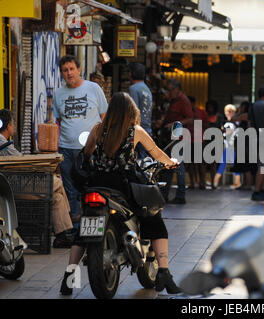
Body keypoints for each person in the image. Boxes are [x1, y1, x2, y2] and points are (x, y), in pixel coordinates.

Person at [60, 92, 180, 295]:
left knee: (83, 231)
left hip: (96, 185)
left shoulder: (98, 130)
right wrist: (171, 162)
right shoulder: (135, 131)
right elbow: (157, 153)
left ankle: (68, 279)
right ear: (130, 112)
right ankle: (164, 272)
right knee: (153, 218)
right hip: (124, 187)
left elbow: (86, 156)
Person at [0, 109, 74, 248]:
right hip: (14, 186)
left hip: (17, 183)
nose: (14, 125)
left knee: (57, 197)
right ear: (8, 125)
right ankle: (69, 217)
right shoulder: (2, 142)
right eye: (13, 122)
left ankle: (61, 236)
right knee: (56, 182)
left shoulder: (4, 141)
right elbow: (21, 161)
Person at [52, 55, 108, 227]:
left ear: (79, 70)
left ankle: (92, 223)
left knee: (91, 186)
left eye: (71, 69)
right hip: (66, 147)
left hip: (89, 148)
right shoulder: (58, 93)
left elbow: (104, 116)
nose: (69, 73)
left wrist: (101, 141)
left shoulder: (93, 88)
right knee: (69, 188)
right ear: (61, 73)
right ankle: (76, 228)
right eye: (65, 70)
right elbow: (57, 122)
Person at [158, 78, 193, 204]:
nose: (168, 92)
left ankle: (180, 195)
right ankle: (165, 194)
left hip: (180, 138)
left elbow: (190, 119)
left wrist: (174, 124)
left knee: (179, 166)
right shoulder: (173, 101)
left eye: (170, 89)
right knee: (169, 165)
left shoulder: (183, 100)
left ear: (176, 89)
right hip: (171, 138)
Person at [213, 104, 241, 189]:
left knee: (225, 163)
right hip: (227, 145)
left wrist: (223, 131)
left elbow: (229, 132)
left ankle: (215, 182)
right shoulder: (226, 122)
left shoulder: (234, 122)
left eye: (230, 111)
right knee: (226, 163)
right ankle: (216, 182)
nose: (228, 113)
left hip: (232, 146)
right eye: (227, 111)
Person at [128, 62, 153, 160]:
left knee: (137, 160)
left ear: (131, 74)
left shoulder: (133, 89)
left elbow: (133, 112)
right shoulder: (146, 89)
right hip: (147, 129)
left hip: (137, 130)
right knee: (144, 160)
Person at [186, 96, 208, 190]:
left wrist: (197, 121)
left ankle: (202, 182)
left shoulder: (201, 111)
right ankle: (192, 182)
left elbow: (207, 124)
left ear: (193, 103)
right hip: (188, 139)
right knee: (190, 163)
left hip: (199, 140)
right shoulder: (185, 112)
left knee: (200, 163)